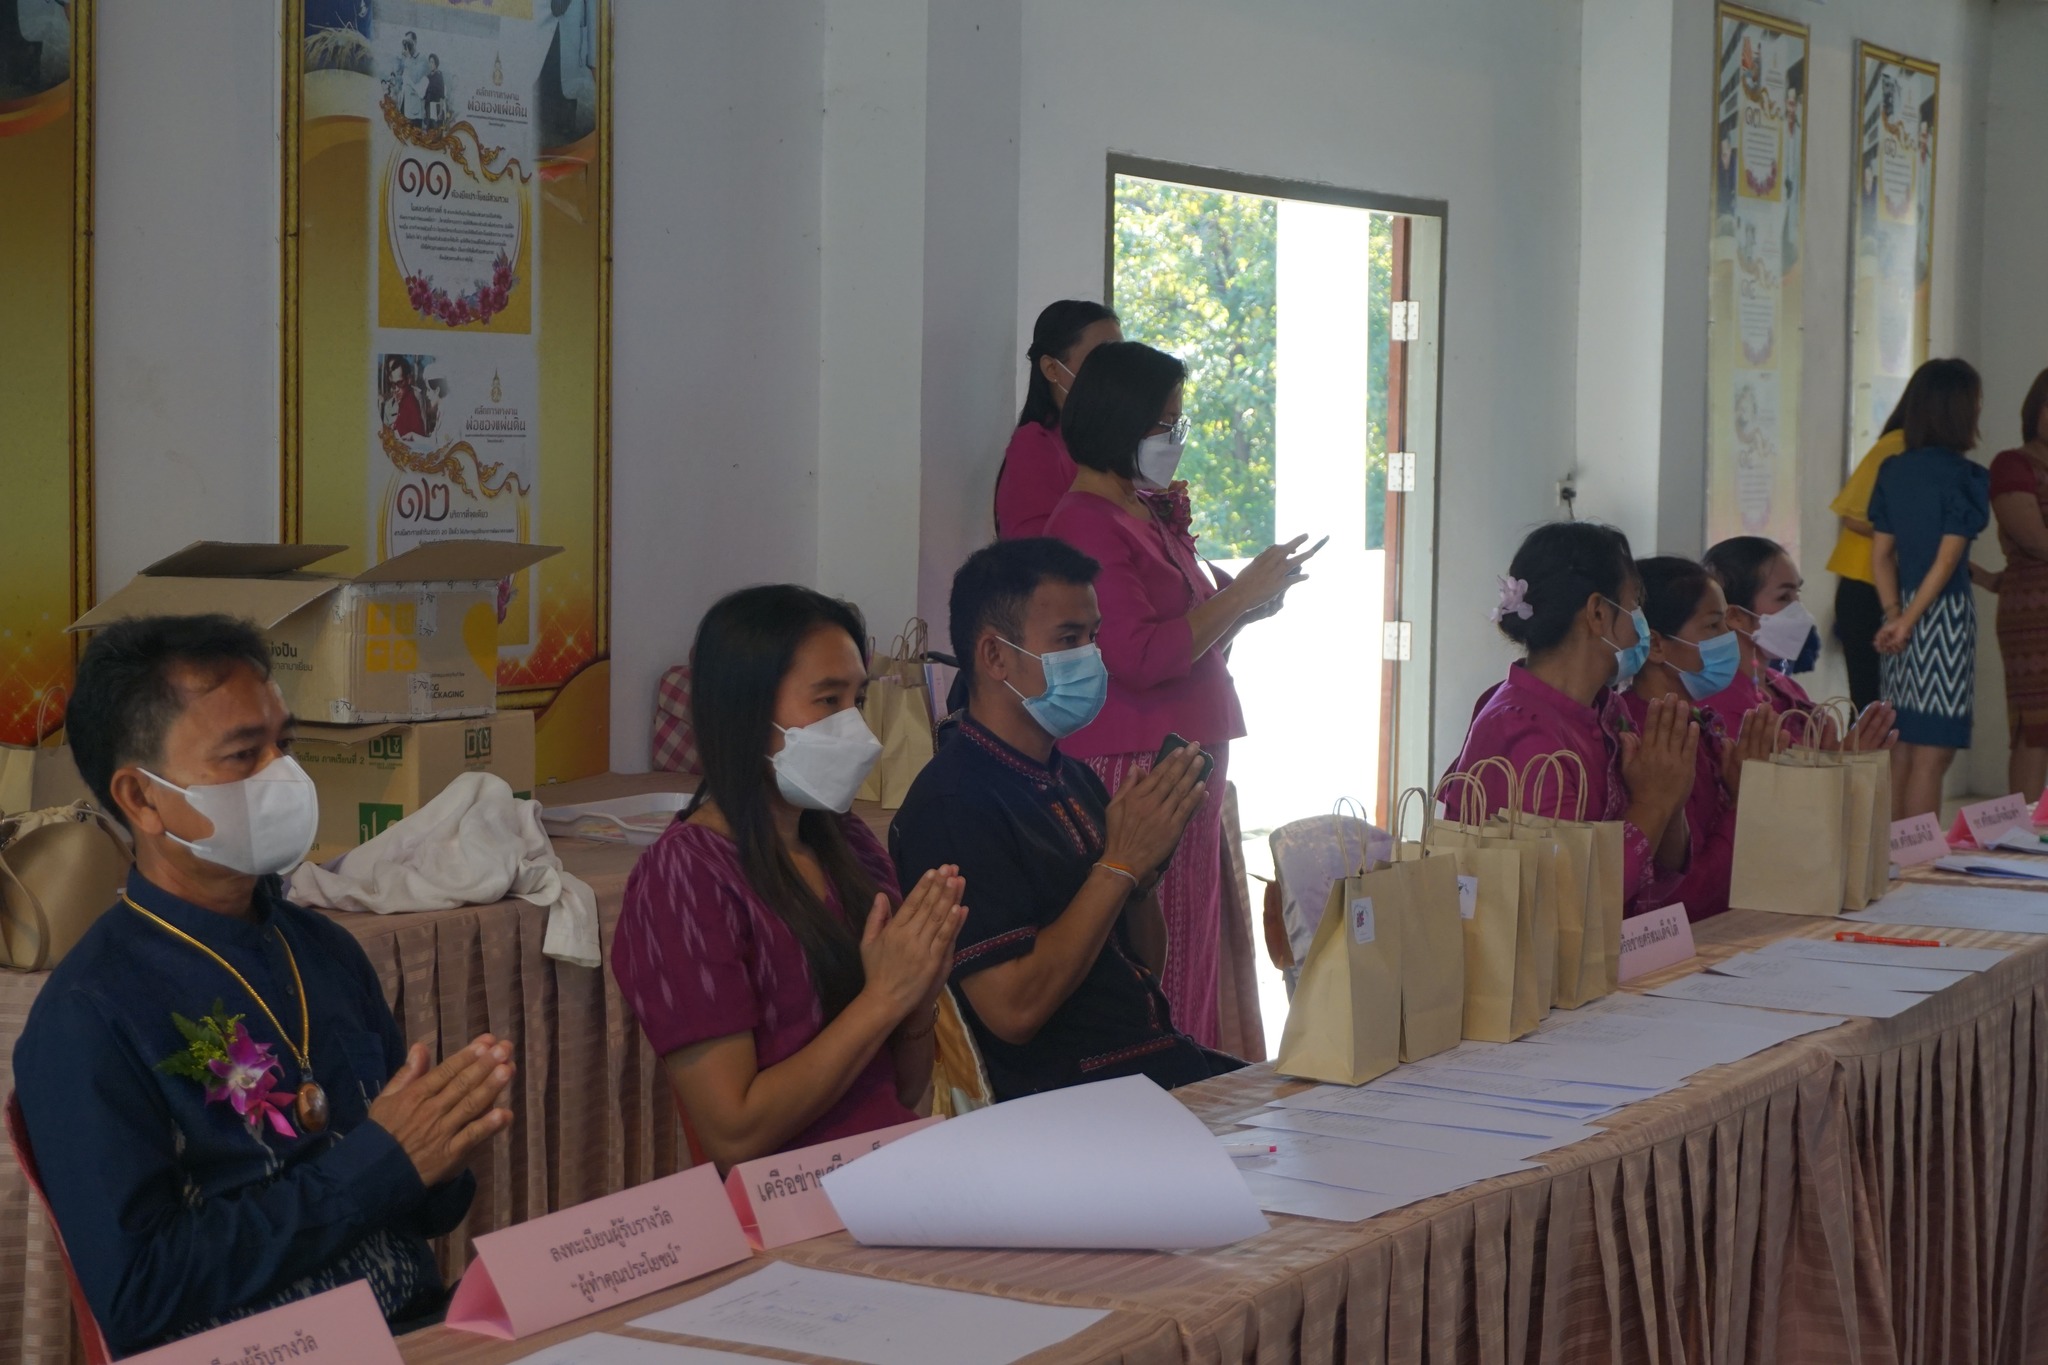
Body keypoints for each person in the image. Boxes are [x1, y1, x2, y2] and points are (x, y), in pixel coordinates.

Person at [13, 615, 512, 1354]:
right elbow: (137, 1291)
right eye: (244, 754)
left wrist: (441, 1149)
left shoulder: (325, 950)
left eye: (285, 744)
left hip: (417, 1329)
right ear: (142, 799)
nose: (283, 775)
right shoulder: (88, 1015)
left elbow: (418, 1211)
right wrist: (379, 1164)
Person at [611, 586, 966, 1171]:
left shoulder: (848, 844)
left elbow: (905, 1092)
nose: (854, 727)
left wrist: (918, 1001)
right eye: (827, 700)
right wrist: (884, 999)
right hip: (792, 1200)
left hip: (892, 1168)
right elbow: (734, 1134)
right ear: (745, 712)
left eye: (857, 700)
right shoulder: (684, 878)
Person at [890, 538, 1237, 1098]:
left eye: (1093, 637)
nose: (1092, 658)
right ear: (995, 656)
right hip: (1069, 1101)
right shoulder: (954, 802)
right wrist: (1117, 866)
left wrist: (1141, 878)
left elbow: (1143, 968)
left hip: (1152, 1067)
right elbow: (1013, 1012)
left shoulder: (1071, 777)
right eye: (1069, 640)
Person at [1042, 341, 1316, 1045]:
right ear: (1119, 420)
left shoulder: (1140, 511)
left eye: (1177, 423)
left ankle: (1184, 1068)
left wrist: (1249, 606)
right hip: (1140, 757)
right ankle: (1160, 1076)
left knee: (1192, 940)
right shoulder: (1085, 520)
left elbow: (1193, 639)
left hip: (1183, 749)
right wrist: (1240, 596)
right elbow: (1138, 656)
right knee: (1159, 942)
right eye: (1164, 424)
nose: (1175, 439)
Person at [1452, 521, 1695, 915]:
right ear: (1598, 613)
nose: (1641, 626)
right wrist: (1653, 802)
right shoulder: (1519, 729)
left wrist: (1672, 797)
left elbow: (1660, 872)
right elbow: (1570, 899)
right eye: (1634, 605)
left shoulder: (1607, 710)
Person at [1623, 558, 1777, 921]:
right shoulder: (1649, 736)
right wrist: (1745, 800)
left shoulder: (1694, 721)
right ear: (1656, 644)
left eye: (1727, 625)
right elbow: (1691, 896)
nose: (1729, 638)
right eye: (1712, 626)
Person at [1873, 358, 1993, 818]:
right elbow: (1947, 561)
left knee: (1902, 748)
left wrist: (1895, 615)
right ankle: (1919, 856)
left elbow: (1882, 555)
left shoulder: (1893, 470)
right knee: (1932, 755)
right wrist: (1911, 620)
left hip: (1899, 616)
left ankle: (1889, 855)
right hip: (1943, 618)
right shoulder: (1965, 476)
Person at [1701, 536, 1897, 752]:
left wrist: (1842, 757)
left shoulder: (1786, 688)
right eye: (1784, 597)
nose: (1799, 611)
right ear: (1735, 616)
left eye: (1797, 594)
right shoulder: (1717, 701)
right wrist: (1834, 762)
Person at [1828, 370, 1932, 710]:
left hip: (1895, 588)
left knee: (1890, 708)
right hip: (1867, 588)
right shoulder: (1896, 447)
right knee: (1872, 708)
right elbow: (1854, 517)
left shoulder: (1926, 454)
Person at [994, 300, 1122, 539]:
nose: (1115, 372)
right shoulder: (1034, 445)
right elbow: (1032, 551)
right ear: (1052, 369)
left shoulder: (1113, 440)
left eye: (1120, 359)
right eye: (1099, 359)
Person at [1987, 367, 2048, 799]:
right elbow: (2036, 540)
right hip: (2035, 611)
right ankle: (2021, 833)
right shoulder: (2013, 464)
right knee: (2036, 726)